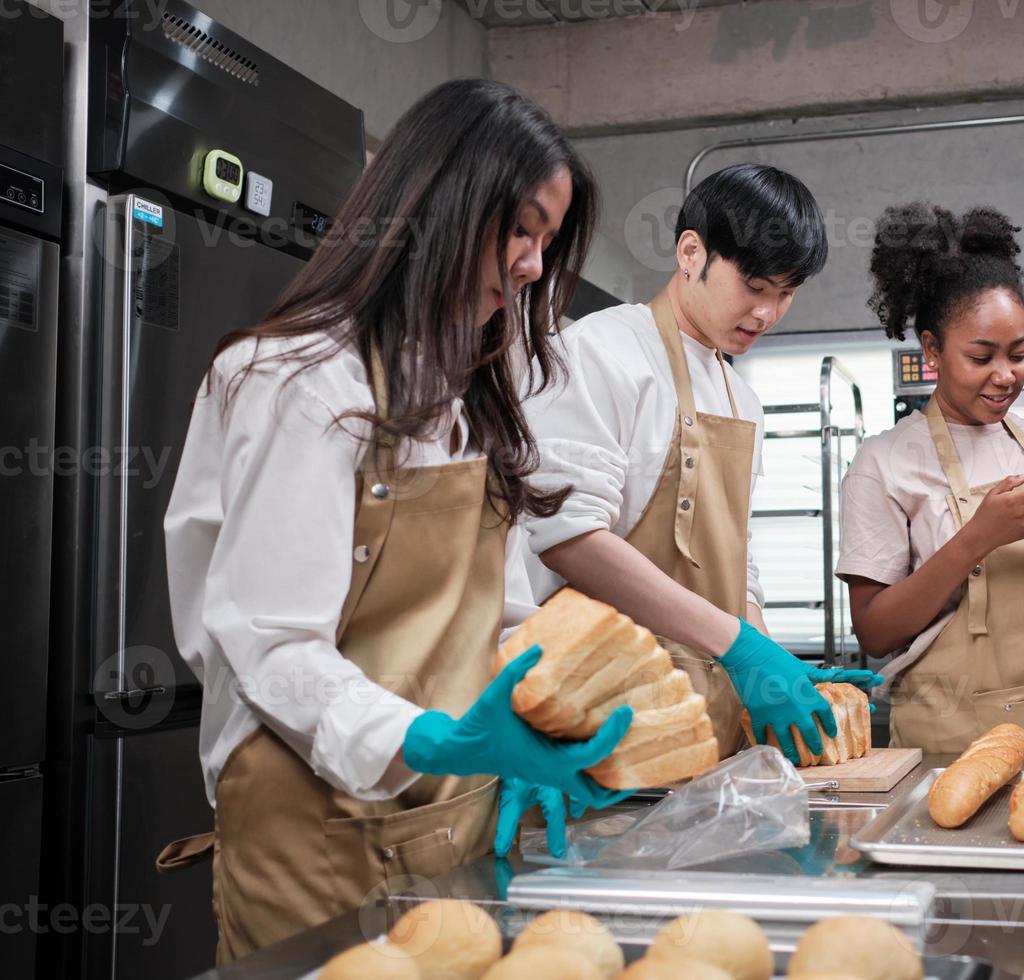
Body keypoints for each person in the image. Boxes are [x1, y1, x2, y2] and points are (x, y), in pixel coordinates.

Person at [158, 80, 630, 962]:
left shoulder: (465, 401)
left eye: (547, 241)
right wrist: (420, 736)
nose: (533, 265)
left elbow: (497, 611)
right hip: (313, 827)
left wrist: (541, 711)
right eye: (522, 229)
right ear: (441, 203)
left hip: (449, 813)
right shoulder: (298, 381)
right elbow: (272, 644)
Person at [514, 164, 880, 765]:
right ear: (691, 252)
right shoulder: (600, 353)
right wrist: (737, 646)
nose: (767, 313)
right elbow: (568, 537)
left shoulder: (743, 398)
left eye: (786, 293)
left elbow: (736, 556)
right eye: (756, 286)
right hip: (598, 714)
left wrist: (766, 658)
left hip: (704, 723)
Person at [836, 204, 1024, 764]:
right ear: (931, 351)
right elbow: (875, 632)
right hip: (950, 749)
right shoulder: (885, 461)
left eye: (1019, 353)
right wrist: (979, 536)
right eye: (981, 356)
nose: (1006, 375)